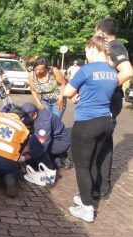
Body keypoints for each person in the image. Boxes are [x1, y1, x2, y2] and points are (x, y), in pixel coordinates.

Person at [63, 35, 117, 222]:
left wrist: (76, 96)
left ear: (93, 48)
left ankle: (86, 208)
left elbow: (67, 92)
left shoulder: (87, 70)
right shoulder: (112, 71)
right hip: (106, 122)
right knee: (93, 162)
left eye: (86, 50)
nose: (86, 54)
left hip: (87, 122)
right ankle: (87, 195)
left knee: (82, 166)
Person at [0, 105, 51, 197]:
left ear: (9, 112)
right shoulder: (24, 130)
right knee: (13, 169)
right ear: (22, 118)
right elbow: (20, 151)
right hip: (6, 164)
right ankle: (10, 177)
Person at [93, 18, 133, 200]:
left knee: (101, 143)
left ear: (101, 32)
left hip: (109, 101)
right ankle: (101, 186)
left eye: (95, 31)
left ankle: (99, 187)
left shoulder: (114, 46)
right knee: (104, 142)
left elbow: (128, 71)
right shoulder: (117, 45)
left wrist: (106, 85)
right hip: (110, 101)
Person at [21, 102, 70, 170]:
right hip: (50, 138)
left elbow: (42, 147)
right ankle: (55, 158)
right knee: (30, 141)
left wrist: (23, 158)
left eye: (28, 119)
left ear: (35, 114)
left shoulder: (43, 122)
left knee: (37, 146)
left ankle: (49, 168)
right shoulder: (36, 114)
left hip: (60, 142)